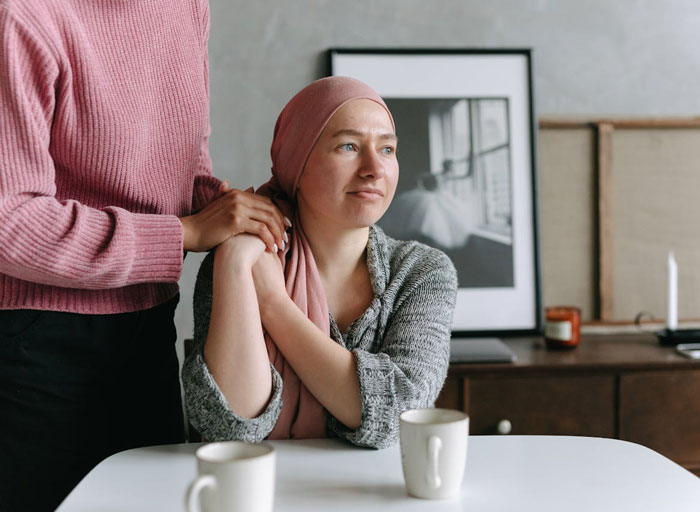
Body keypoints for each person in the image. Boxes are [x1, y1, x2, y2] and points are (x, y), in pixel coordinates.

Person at [0, 1, 287, 510]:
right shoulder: (24, 15)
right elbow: (11, 224)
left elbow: (183, 165)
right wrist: (184, 234)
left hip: (150, 322)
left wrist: (239, 209)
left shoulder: (186, 7)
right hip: (36, 340)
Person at [182, 76, 458, 448]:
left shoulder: (423, 273)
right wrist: (232, 259)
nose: (374, 168)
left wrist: (274, 304)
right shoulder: (242, 258)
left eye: (387, 150)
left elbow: (399, 416)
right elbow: (230, 429)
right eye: (348, 146)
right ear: (298, 161)